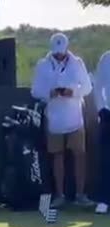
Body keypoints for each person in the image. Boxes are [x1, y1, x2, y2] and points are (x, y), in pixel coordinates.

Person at [30, 32, 94, 209]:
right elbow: (35, 91)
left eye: (62, 51)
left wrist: (72, 92)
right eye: (56, 52)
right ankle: (60, 195)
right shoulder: (42, 65)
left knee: (79, 156)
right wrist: (49, 93)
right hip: (54, 117)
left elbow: (87, 87)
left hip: (75, 116)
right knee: (57, 156)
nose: (59, 55)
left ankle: (81, 195)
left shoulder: (78, 63)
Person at [92, 51, 110, 214]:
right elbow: (98, 87)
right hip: (109, 115)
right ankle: (105, 199)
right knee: (106, 159)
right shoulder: (106, 58)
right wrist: (101, 109)